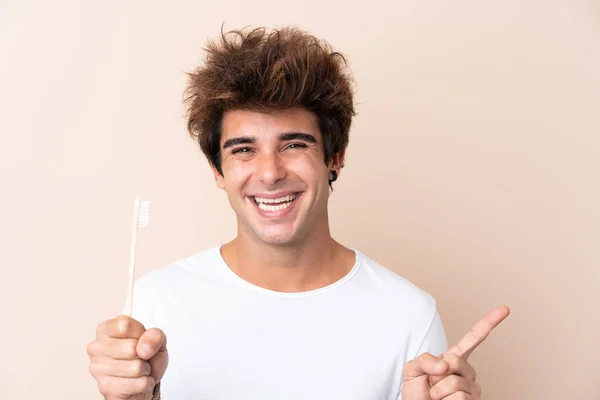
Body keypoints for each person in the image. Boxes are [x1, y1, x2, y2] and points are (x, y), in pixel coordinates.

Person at [86, 26, 509, 400]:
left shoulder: (408, 315)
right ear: (218, 170)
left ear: (335, 158)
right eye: (244, 150)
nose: (270, 173)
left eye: (294, 144)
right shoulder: (156, 303)